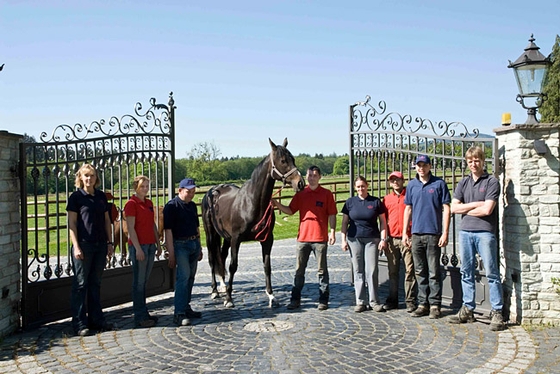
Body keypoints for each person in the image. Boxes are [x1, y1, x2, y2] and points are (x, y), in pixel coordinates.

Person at [448, 146, 505, 331]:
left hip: (484, 233)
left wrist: (466, 207)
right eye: (470, 161)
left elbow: (487, 210)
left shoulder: (491, 182)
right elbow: (454, 208)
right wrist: (476, 204)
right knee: (466, 272)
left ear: (483, 161)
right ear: (467, 163)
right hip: (465, 232)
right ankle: (468, 308)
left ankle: (497, 311)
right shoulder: (463, 183)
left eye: (477, 160)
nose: (474, 164)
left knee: (492, 273)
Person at [272, 165, 337, 311]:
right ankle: (295, 300)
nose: (311, 178)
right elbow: (290, 210)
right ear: (306, 177)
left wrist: (332, 232)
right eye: (309, 175)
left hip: (320, 239)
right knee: (299, 271)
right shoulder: (301, 194)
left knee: (322, 271)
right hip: (303, 239)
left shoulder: (326, 194)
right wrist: (276, 204)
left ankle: (323, 299)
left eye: (314, 175)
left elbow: (332, 214)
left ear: (319, 177)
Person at [67, 163, 116, 336]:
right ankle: (80, 323)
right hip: (84, 245)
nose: (89, 179)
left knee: (95, 283)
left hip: (100, 245)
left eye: (92, 175)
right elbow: (72, 224)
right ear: (80, 177)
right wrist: (76, 246)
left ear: (96, 178)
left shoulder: (101, 197)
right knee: (81, 284)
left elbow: (106, 221)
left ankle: (97, 319)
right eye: (86, 176)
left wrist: (109, 243)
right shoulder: (76, 198)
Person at [402, 155, 451, 319]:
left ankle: (435, 305)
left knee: (434, 271)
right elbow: (407, 209)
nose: (421, 168)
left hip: (433, 234)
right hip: (416, 234)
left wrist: (445, 232)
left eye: (424, 165)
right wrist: (404, 233)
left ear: (430, 166)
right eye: (418, 165)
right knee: (419, 271)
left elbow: (446, 208)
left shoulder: (439, 184)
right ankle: (422, 304)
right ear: (415, 167)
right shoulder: (412, 186)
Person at [341, 176, 388, 313]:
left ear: (367, 186)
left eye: (363, 186)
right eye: (358, 186)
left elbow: (383, 222)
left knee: (372, 270)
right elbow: (344, 223)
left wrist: (383, 239)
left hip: (372, 239)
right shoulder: (350, 202)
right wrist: (343, 240)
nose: (361, 189)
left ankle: (374, 301)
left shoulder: (375, 202)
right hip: (354, 239)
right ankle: (360, 301)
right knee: (358, 270)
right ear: (355, 188)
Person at [164, 177, 203, 326]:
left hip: (193, 243)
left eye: (193, 191)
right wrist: (171, 252)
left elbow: (197, 228)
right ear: (180, 190)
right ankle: (179, 312)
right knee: (183, 277)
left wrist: (199, 246)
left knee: (191, 277)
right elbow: (168, 231)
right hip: (180, 245)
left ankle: (186, 307)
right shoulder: (172, 207)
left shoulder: (192, 206)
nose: (191, 194)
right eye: (188, 191)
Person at [124, 175, 163, 328]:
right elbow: (130, 229)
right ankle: (139, 316)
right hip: (138, 247)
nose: (145, 189)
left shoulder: (148, 203)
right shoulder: (131, 204)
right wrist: (138, 248)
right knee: (139, 283)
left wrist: (158, 244)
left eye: (147, 186)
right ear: (136, 187)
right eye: (142, 186)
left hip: (150, 245)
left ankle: (144, 312)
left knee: (144, 282)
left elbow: (153, 225)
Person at [383, 171, 418, 313]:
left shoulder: (409, 196)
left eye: (398, 179)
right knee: (393, 271)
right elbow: (383, 220)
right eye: (393, 180)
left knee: (410, 270)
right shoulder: (386, 199)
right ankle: (393, 299)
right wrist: (384, 238)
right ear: (390, 183)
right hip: (392, 239)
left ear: (403, 181)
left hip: (407, 238)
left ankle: (410, 300)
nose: (395, 182)